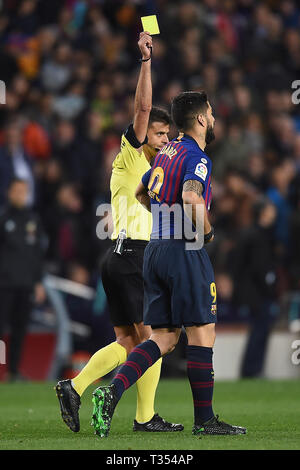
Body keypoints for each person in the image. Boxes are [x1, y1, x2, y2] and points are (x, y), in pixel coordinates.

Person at [91, 91, 247, 438]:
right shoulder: (196, 157)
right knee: (203, 332)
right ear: (202, 119)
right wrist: (206, 231)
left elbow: (142, 194)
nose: (215, 118)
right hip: (184, 249)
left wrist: (165, 220)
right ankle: (205, 421)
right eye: (211, 113)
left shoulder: (166, 154)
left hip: (156, 250)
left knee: (163, 337)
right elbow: (192, 197)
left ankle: (112, 391)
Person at [55, 32, 183, 434]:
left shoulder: (150, 171)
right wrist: (146, 60)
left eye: (167, 135)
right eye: (160, 134)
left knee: (130, 344)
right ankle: (143, 418)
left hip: (119, 257)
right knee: (154, 342)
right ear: (147, 135)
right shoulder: (131, 151)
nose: (164, 140)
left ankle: (73, 386)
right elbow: (143, 105)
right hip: (132, 258)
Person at [0, 178, 46, 382]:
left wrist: (38, 282)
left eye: (24, 191)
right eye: (17, 191)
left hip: (26, 284)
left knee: (20, 329)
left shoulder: (33, 219)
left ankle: (14, 371)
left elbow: (37, 254)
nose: (21, 195)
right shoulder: (3, 218)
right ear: (9, 193)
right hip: (4, 284)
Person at [231, 198, 278, 378]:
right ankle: (251, 370)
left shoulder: (252, 233)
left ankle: (253, 369)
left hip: (254, 290)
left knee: (260, 330)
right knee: (259, 330)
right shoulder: (257, 236)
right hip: (257, 292)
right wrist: (269, 284)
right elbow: (259, 267)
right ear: (263, 213)